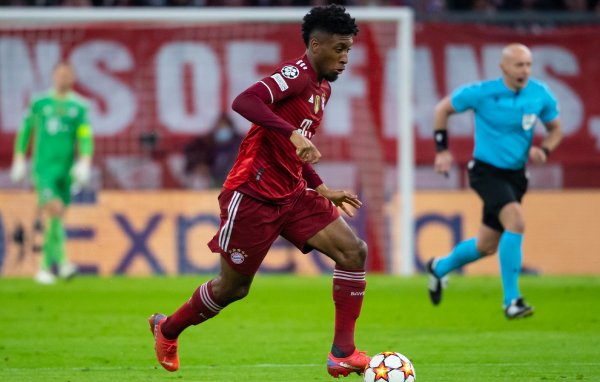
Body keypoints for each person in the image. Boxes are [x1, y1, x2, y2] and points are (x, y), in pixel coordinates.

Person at [149, 5, 370, 378]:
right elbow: (245, 101)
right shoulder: (296, 75)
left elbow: (293, 149)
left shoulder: (323, 88)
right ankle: (167, 329)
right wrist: (291, 132)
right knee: (233, 289)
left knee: (353, 251)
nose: (345, 58)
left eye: (349, 49)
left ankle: (342, 353)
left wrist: (321, 186)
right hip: (252, 196)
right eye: (339, 48)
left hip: (294, 193)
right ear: (315, 45)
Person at [426, 43, 562, 319]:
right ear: (503, 68)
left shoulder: (540, 94)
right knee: (516, 220)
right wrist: (442, 150)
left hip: (516, 176)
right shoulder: (482, 93)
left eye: (528, 64)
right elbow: (442, 110)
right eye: (518, 65)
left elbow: (555, 129)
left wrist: (545, 149)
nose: (524, 70)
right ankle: (512, 301)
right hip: (485, 171)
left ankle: (438, 268)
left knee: (486, 245)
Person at [10, 62, 94, 285]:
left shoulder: (79, 106)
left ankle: (45, 267)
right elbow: (26, 130)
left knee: (55, 217)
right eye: (60, 74)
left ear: (73, 77)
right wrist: (19, 158)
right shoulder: (39, 103)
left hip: (65, 171)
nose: (63, 78)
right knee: (53, 209)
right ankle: (64, 262)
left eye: (67, 75)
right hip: (44, 168)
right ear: (53, 76)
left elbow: (84, 135)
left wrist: (85, 161)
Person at [183, 113, 243, 189]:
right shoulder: (209, 142)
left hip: (232, 179)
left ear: (230, 128)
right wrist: (202, 166)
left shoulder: (239, 143)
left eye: (224, 127)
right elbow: (195, 154)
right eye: (219, 127)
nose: (222, 130)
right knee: (198, 179)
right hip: (212, 178)